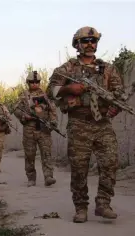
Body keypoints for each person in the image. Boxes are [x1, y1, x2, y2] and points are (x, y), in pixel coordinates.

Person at [46, 26, 124, 223]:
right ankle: (80, 207)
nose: (90, 44)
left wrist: (116, 107)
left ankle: (103, 203)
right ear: (77, 45)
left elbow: (119, 93)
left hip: (102, 123)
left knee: (110, 163)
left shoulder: (108, 69)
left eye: (93, 41)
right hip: (79, 124)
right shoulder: (67, 69)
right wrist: (69, 88)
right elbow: (50, 92)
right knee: (79, 168)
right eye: (85, 41)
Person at [13, 71, 57, 187]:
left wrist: (53, 122)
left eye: (37, 82)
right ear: (28, 83)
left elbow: (52, 110)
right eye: (32, 82)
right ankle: (31, 178)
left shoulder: (45, 95)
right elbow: (16, 109)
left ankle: (48, 176)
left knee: (46, 153)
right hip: (29, 128)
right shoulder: (23, 95)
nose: (34, 84)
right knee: (30, 154)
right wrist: (24, 116)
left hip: (44, 127)